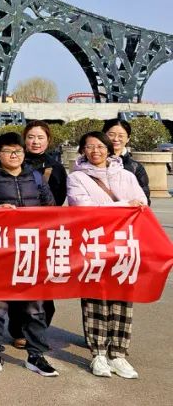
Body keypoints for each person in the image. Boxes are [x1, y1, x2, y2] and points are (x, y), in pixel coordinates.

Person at [0, 132, 58, 378]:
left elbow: (51, 209)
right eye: (8, 151)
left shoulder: (35, 176)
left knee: (35, 307)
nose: (14, 155)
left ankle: (36, 355)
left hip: (31, 248)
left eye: (18, 151)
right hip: (0, 250)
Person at [66, 131, 148, 379]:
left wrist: (119, 208)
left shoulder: (126, 175)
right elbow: (84, 208)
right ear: (82, 150)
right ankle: (99, 353)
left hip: (124, 244)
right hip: (94, 244)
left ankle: (119, 354)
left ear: (109, 149)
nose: (95, 151)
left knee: (122, 297)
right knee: (95, 297)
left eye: (100, 146)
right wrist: (123, 206)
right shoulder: (77, 177)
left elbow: (141, 203)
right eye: (89, 146)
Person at [3, 120, 69, 347]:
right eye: (31, 137)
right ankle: (18, 330)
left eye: (40, 137)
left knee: (44, 284)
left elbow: (58, 200)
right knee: (18, 281)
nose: (35, 142)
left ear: (48, 140)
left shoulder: (55, 168)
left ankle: (38, 329)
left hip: (44, 234)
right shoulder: (11, 162)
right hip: (15, 234)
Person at [102, 119, 151, 204]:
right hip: (98, 210)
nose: (116, 139)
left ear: (128, 138)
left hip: (127, 211)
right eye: (111, 135)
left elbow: (144, 199)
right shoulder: (90, 163)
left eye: (121, 136)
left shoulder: (136, 167)